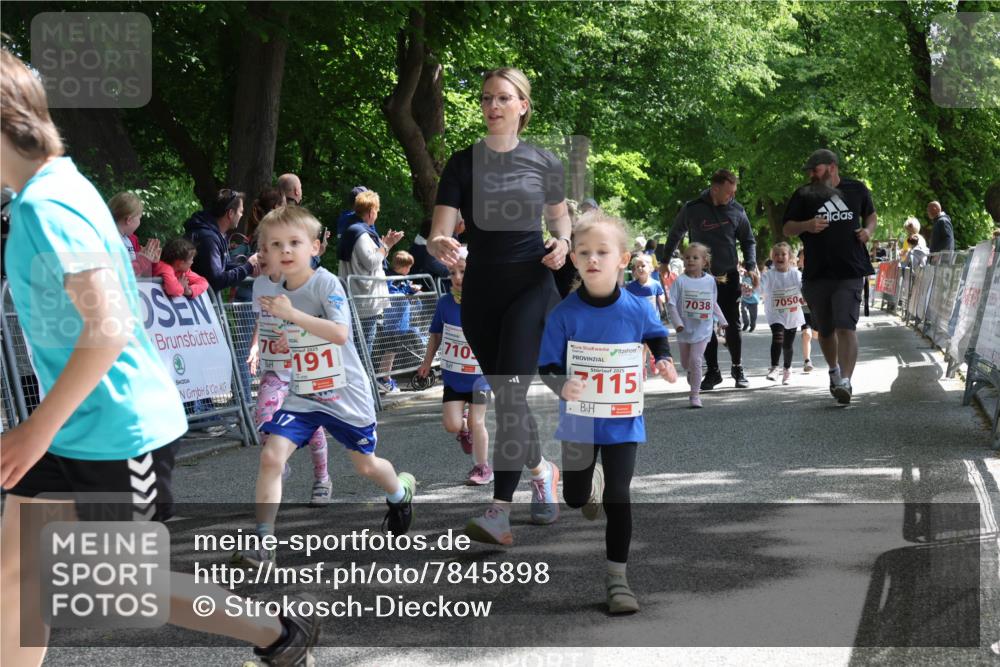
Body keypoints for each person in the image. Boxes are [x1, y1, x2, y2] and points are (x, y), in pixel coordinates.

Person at [0, 47, 319, 666]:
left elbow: (111, 329)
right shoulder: (55, 187)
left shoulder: (47, 206)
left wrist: (36, 428)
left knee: (122, 586)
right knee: (16, 568)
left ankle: (277, 635)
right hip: (78, 427)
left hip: (122, 430)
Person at [428, 67, 571, 539]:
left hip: (532, 287)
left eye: (503, 98)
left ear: (523, 105)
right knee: (507, 396)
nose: (493, 106)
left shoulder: (544, 162)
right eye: (487, 98)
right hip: (480, 293)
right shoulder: (463, 162)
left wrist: (563, 244)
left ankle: (500, 510)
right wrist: (438, 242)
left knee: (508, 395)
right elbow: (441, 228)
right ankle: (541, 470)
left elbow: (560, 222)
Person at [237, 206, 416, 566]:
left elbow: (339, 333)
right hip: (303, 393)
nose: (285, 251)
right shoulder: (273, 291)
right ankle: (263, 543)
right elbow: (299, 335)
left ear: (315, 248)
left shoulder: (326, 283)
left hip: (344, 392)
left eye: (294, 243)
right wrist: (290, 338)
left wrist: (293, 317)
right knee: (271, 455)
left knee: (365, 467)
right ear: (266, 254)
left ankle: (400, 492)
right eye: (276, 245)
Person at [537, 213, 678, 613]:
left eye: (603, 251)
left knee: (619, 496)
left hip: (623, 420)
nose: (593, 259)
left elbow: (655, 335)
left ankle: (618, 580)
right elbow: (546, 366)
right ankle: (587, 483)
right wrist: (560, 384)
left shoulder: (636, 307)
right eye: (584, 252)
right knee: (576, 497)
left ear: (622, 258)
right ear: (574, 259)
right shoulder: (564, 314)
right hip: (580, 419)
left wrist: (664, 360)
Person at [782, 148, 877, 405]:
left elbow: (871, 214)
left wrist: (868, 230)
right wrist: (807, 225)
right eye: (810, 171)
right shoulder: (804, 194)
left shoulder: (856, 189)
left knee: (846, 326)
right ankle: (834, 371)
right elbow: (787, 227)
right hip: (817, 273)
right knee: (825, 331)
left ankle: (846, 380)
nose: (812, 174)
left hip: (850, 270)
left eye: (816, 169)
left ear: (832, 167)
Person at [246, 237, 332, 507]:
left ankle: (322, 478)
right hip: (275, 370)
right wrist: (255, 347)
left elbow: (321, 321)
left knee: (313, 427)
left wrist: (295, 335)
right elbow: (262, 318)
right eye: (257, 250)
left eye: (264, 250)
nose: (258, 256)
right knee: (263, 420)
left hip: (303, 369)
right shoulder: (259, 284)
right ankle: (280, 466)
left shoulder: (298, 283)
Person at [663, 168, 757, 390]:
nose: (731, 196)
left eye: (734, 192)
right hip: (701, 278)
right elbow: (675, 233)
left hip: (728, 275)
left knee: (732, 322)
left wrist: (751, 265)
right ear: (715, 189)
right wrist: (665, 260)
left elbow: (748, 239)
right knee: (704, 323)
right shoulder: (693, 209)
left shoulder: (737, 210)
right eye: (728, 192)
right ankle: (713, 371)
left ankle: (737, 367)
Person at [417, 251, 493, 485]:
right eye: (453, 273)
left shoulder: (486, 302)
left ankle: (482, 468)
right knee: (451, 424)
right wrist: (427, 362)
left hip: (480, 377)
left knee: (477, 421)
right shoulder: (444, 303)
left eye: (463, 271)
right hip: (453, 378)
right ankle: (464, 429)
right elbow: (435, 335)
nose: (458, 277)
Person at [184, 188, 259, 404]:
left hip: (200, 308)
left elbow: (222, 266)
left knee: (203, 359)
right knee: (198, 360)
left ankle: (203, 412)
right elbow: (216, 278)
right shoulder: (208, 238)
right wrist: (247, 267)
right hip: (196, 309)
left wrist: (245, 264)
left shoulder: (215, 235)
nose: (242, 214)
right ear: (230, 213)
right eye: (240, 211)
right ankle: (199, 415)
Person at [338, 190, 404, 361]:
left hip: (359, 299)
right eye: (377, 210)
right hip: (365, 303)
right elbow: (371, 261)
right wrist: (386, 246)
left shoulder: (353, 230)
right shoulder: (360, 233)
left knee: (359, 349)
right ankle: (364, 386)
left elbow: (369, 260)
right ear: (371, 211)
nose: (377, 214)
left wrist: (384, 245)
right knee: (363, 351)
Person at [667, 243, 728, 408]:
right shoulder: (680, 281)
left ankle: (695, 395)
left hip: (703, 328)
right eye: (687, 257)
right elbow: (671, 304)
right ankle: (690, 372)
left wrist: (722, 320)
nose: (690, 260)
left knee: (696, 360)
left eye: (695, 257)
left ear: (704, 262)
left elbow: (713, 302)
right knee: (687, 363)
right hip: (685, 329)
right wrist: (678, 323)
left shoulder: (710, 281)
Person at [374, 250, 424, 394]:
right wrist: (406, 292)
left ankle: (385, 378)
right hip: (393, 322)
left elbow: (402, 288)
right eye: (408, 267)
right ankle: (384, 379)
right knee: (390, 352)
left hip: (400, 323)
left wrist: (411, 288)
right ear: (402, 267)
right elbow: (391, 293)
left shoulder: (400, 277)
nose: (409, 270)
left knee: (392, 352)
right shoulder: (390, 278)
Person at [759, 242, 806, 385]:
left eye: (783, 254)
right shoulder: (769, 275)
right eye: (776, 254)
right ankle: (774, 367)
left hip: (792, 313)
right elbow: (760, 289)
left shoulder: (796, 274)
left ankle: (787, 369)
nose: (779, 257)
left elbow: (803, 289)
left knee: (787, 345)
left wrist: (804, 297)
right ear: (772, 258)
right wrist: (753, 286)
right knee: (778, 336)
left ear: (790, 257)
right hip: (775, 313)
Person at [108, 191, 160, 276]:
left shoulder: (131, 240)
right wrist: (143, 260)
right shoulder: (109, 240)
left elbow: (142, 274)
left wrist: (151, 262)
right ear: (129, 220)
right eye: (139, 218)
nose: (140, 222)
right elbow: (121, 273)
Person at [797, 248, 815, 373]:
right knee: (806, 334)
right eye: (803, 257)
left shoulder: (818, 271)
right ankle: (807, 361)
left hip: (818, 310)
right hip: (804, 311)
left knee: (818, 336)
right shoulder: (795, 274)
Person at [739, 265, 760, 333]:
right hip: (745, 298)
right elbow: (741, 286)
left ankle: (752, 325)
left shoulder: (754, 277)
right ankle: (746, 323)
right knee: (743, 310)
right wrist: (741, 286)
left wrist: (750, 287)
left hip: (753, 299)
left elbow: (756, 288)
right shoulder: (743, 277)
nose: (744, 271)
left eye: (745, 269)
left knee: (753, 315)